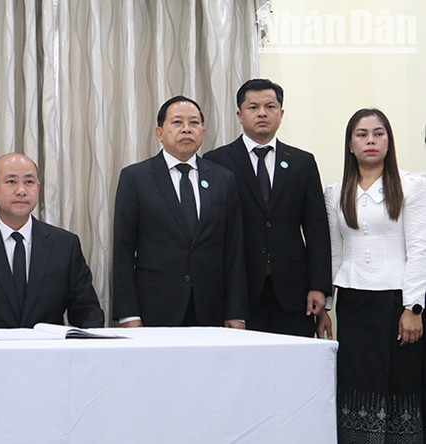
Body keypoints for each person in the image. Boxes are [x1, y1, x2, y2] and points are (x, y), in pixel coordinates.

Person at [325, 108, 425, 442]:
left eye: (378, 134)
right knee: (357, 382)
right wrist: (326, 306)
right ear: (350, 144)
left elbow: (419, 249)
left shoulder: (411, 186)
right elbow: (334, 252)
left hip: (397, 302)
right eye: (362, 134)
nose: (371, 140)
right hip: (354, 301)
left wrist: (413, 307)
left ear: (389, 141)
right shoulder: (335, 192)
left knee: (400, 382)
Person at [204, 79, 332, 338]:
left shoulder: (302, 163)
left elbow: (317, 230)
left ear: (281, 114)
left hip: (293, 291)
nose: (262, 113)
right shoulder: (217, 162)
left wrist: (319, 287)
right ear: (239, 115)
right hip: (240, 291)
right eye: (253, 107)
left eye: (270, 106)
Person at [112, 96, 247, 328]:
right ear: (159, 132)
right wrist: (128, 314)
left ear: (203, 131)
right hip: (156, 307)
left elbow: (234, 249)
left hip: (211, 307)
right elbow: (123, 249)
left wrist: (236, 312)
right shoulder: (136, 178)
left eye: (194, 123)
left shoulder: (222, 179)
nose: (186, 129)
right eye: (177, 122)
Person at [0, 153, 105, 329]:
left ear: (38, 188)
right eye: (11, 182)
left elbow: (88, 312)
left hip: (47, 346)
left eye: (29, 182)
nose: (21, 190)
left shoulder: (64, 245)